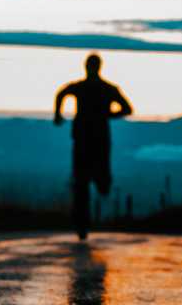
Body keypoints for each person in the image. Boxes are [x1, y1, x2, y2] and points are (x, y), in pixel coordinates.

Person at [54, 53, 133, 240]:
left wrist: (57, 114)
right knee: (85, 182)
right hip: (96, 139)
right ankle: (82, 224)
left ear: (87, 67)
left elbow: (61, 93)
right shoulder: (108, 89)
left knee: (84, 182)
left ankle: (83, 222)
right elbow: (127, 109)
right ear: (99, 67)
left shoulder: (83, 87)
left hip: (85, 139)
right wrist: (108, 114)